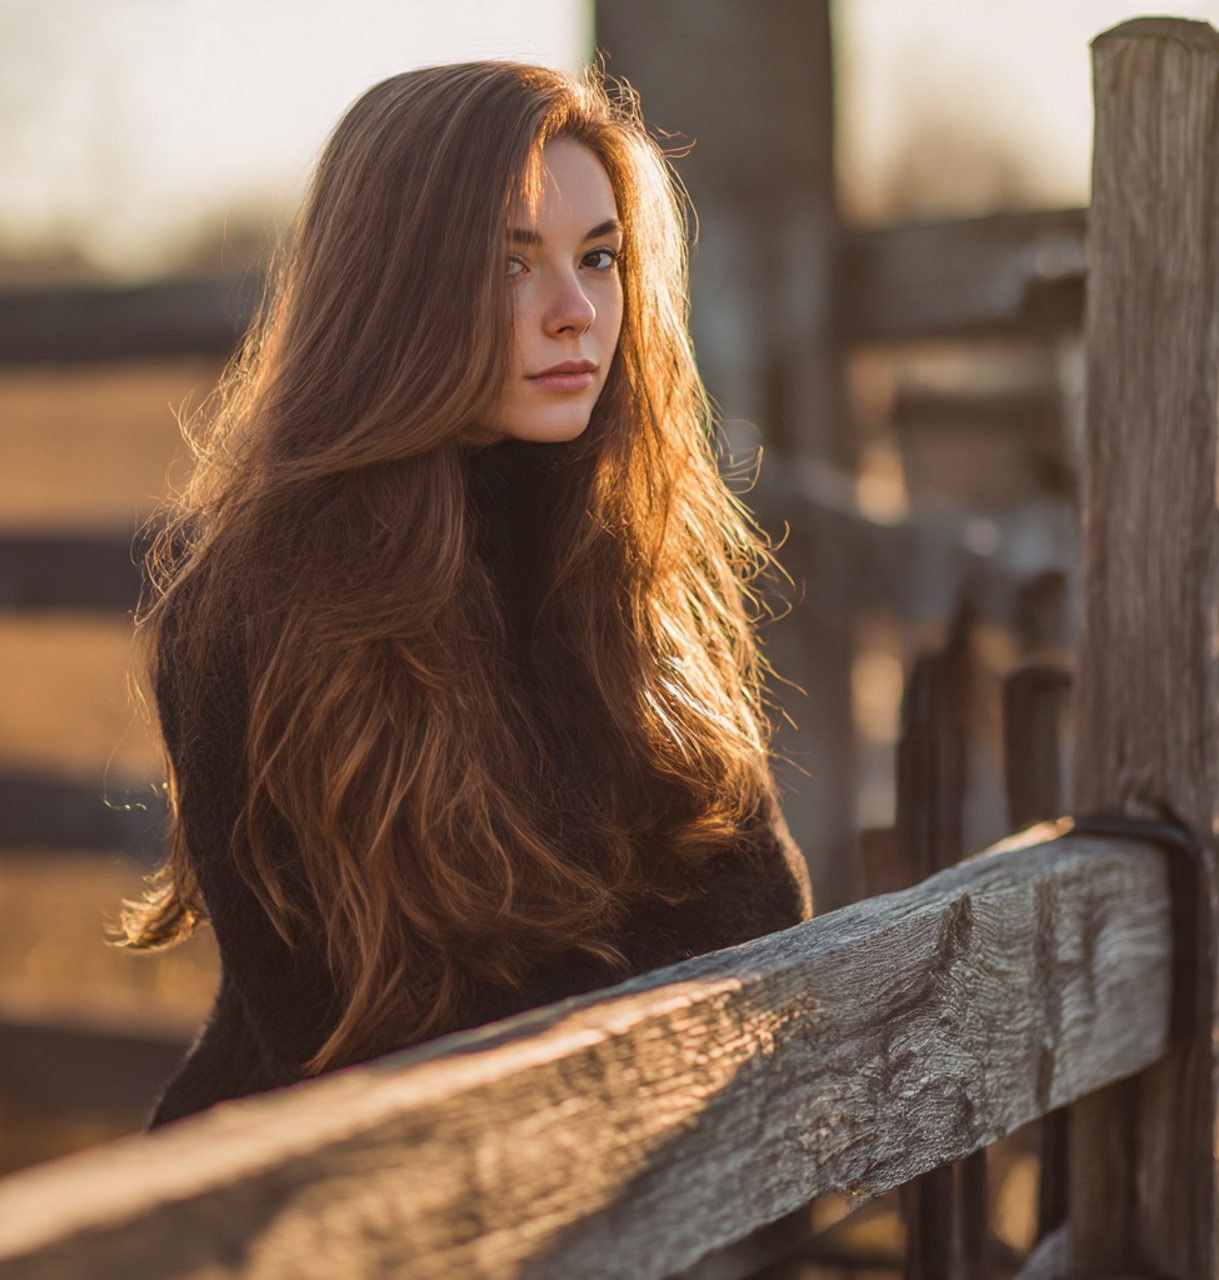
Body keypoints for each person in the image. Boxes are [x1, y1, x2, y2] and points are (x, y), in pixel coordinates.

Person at [120, 60, 812, 1127]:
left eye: (599, 257)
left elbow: (763, 909)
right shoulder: (251, 612)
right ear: (393, 290)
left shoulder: (632, 566)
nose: (575, 311)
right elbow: (350, 1031)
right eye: (508, 263)